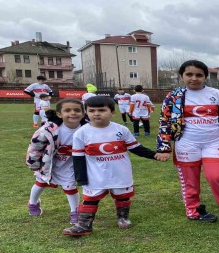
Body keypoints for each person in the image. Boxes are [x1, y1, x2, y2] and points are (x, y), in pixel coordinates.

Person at [155, 60, 219, 225]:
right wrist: (164, 147)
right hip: (186, 145)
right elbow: (164, 122)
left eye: (199, 75)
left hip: (213, 143)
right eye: (189, 74)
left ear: (205, 77)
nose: (194, 78)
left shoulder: (216, 94)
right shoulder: (174, 96)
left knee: (215, 177)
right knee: (190, 183)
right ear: (181, 76)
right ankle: (193, 211)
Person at [63, 96, 158, 236]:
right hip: (95, 174)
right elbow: (78, 158)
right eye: (91, 110)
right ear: (86, 113)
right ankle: (84, 225)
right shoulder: (81, 133)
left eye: (101, 110)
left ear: (112, 112)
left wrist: (155, 155)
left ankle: (123, 218)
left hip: (120, 172)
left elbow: (136, 148)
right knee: (90, 199)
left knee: (122, 197)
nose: (96, 113)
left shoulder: (121, 130)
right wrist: (81, 178)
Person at [26, 98, 85, 224]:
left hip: (71, 164)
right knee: (41, 183)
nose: (73, 113)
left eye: (77, 110)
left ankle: (75, 212)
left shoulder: (87, 129)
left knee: (70, 186)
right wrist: (33, 162)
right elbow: (36, 145)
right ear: (59, 114)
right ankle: (32, 203)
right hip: (50, 162)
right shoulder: (49, 129)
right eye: (67, 110)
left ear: (83, 113)